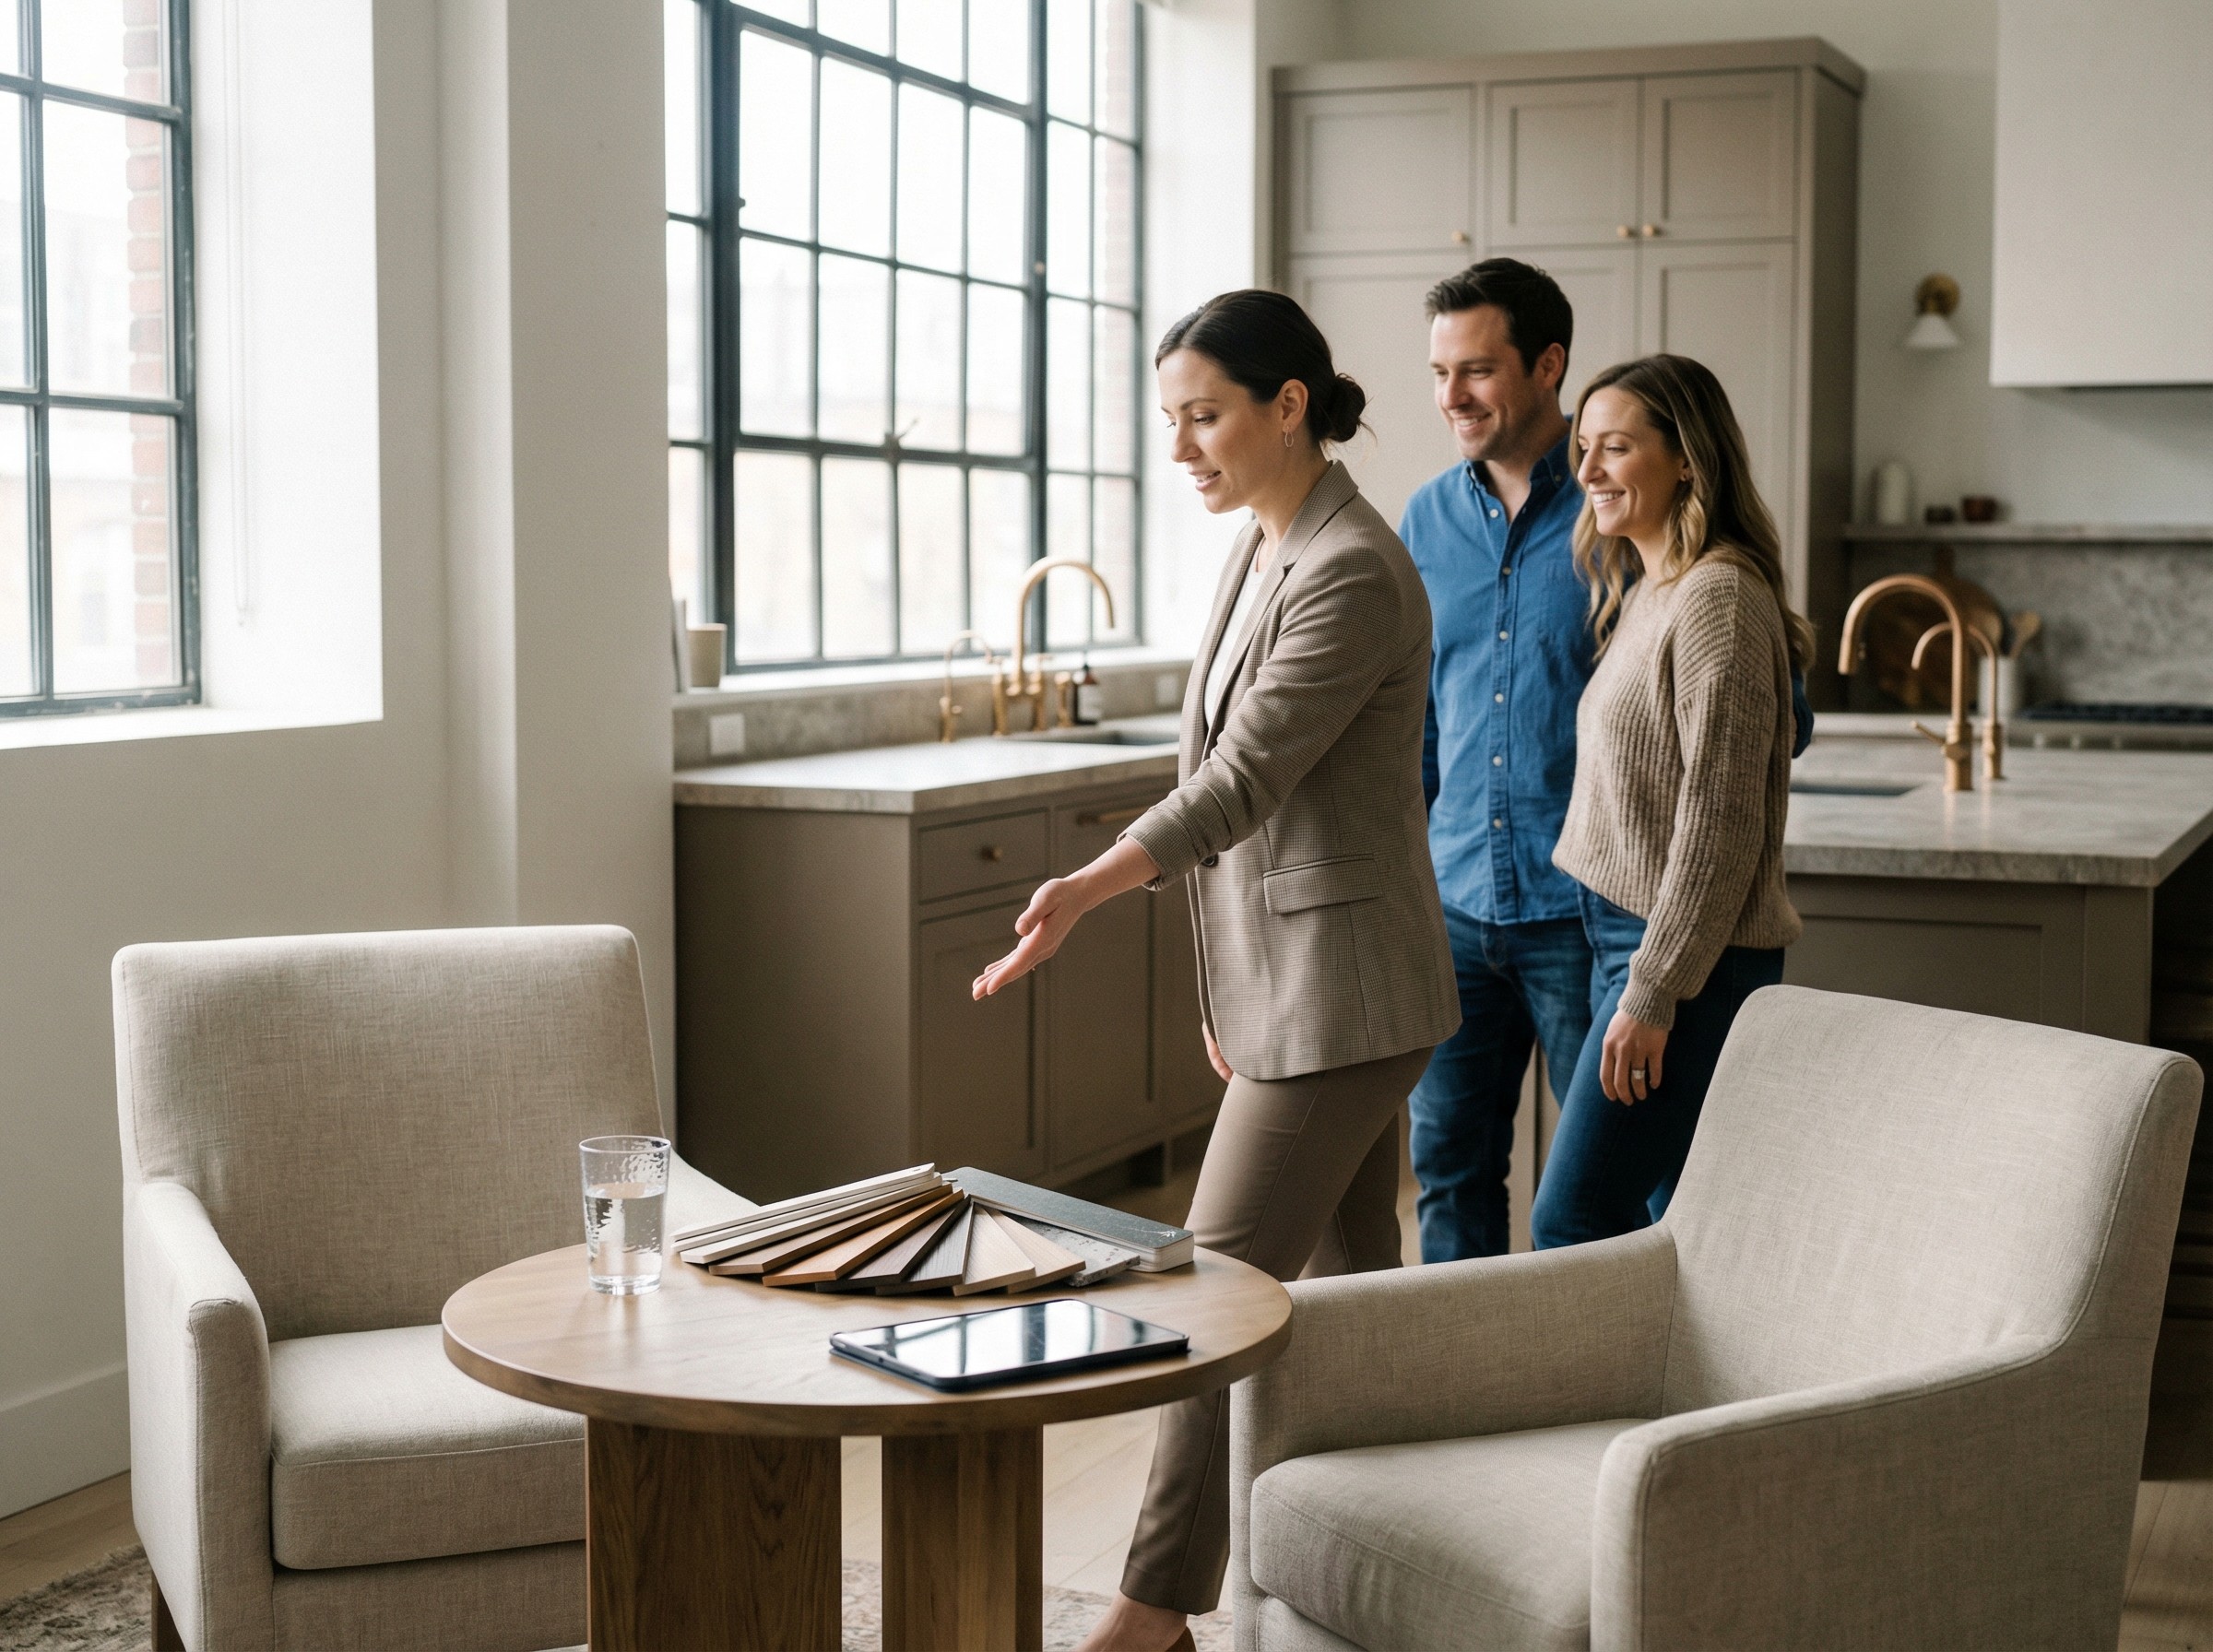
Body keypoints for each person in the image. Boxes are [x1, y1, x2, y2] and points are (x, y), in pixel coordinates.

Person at [971, 289, 1458, 1652]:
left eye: (1204, 415)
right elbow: (1224, 771)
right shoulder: (1268, 540)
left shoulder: (1351, 563)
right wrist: (1218, 992)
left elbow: (1242, 780)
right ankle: (1387, 1560)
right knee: (1357, 1297)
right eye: (1172, 418)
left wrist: (1086, 882)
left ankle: (1149, 1615)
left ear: (1287, 405)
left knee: (1201, 1299)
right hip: (1300, 984)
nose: (1182, 445)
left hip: (1344, 994)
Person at [1530, 354, 1810, 1248]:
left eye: (1616, 447)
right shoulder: (1657, 586)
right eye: (1583, 448)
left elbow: (1719, 826)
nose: (1588, 471)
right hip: (1637, 941)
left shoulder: (1718, 597)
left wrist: (1652, 991)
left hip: (1682, 960)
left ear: (1686, 457)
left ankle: (1590, 1393)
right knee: (1675, 1219)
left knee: (1575, 1215)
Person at [1396, 259, 1600, 1263]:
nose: (1451, 398)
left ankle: (1593, 1394)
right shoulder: (1424, 520)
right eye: (1440, 373)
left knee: (1602, 1192)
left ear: (1549, 364)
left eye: (1476, 370)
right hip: (1454, 910)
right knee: (1450, 1172)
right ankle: (1456, 1397)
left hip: (1587, 914)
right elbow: (1418, 721)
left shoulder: (1622, 508)